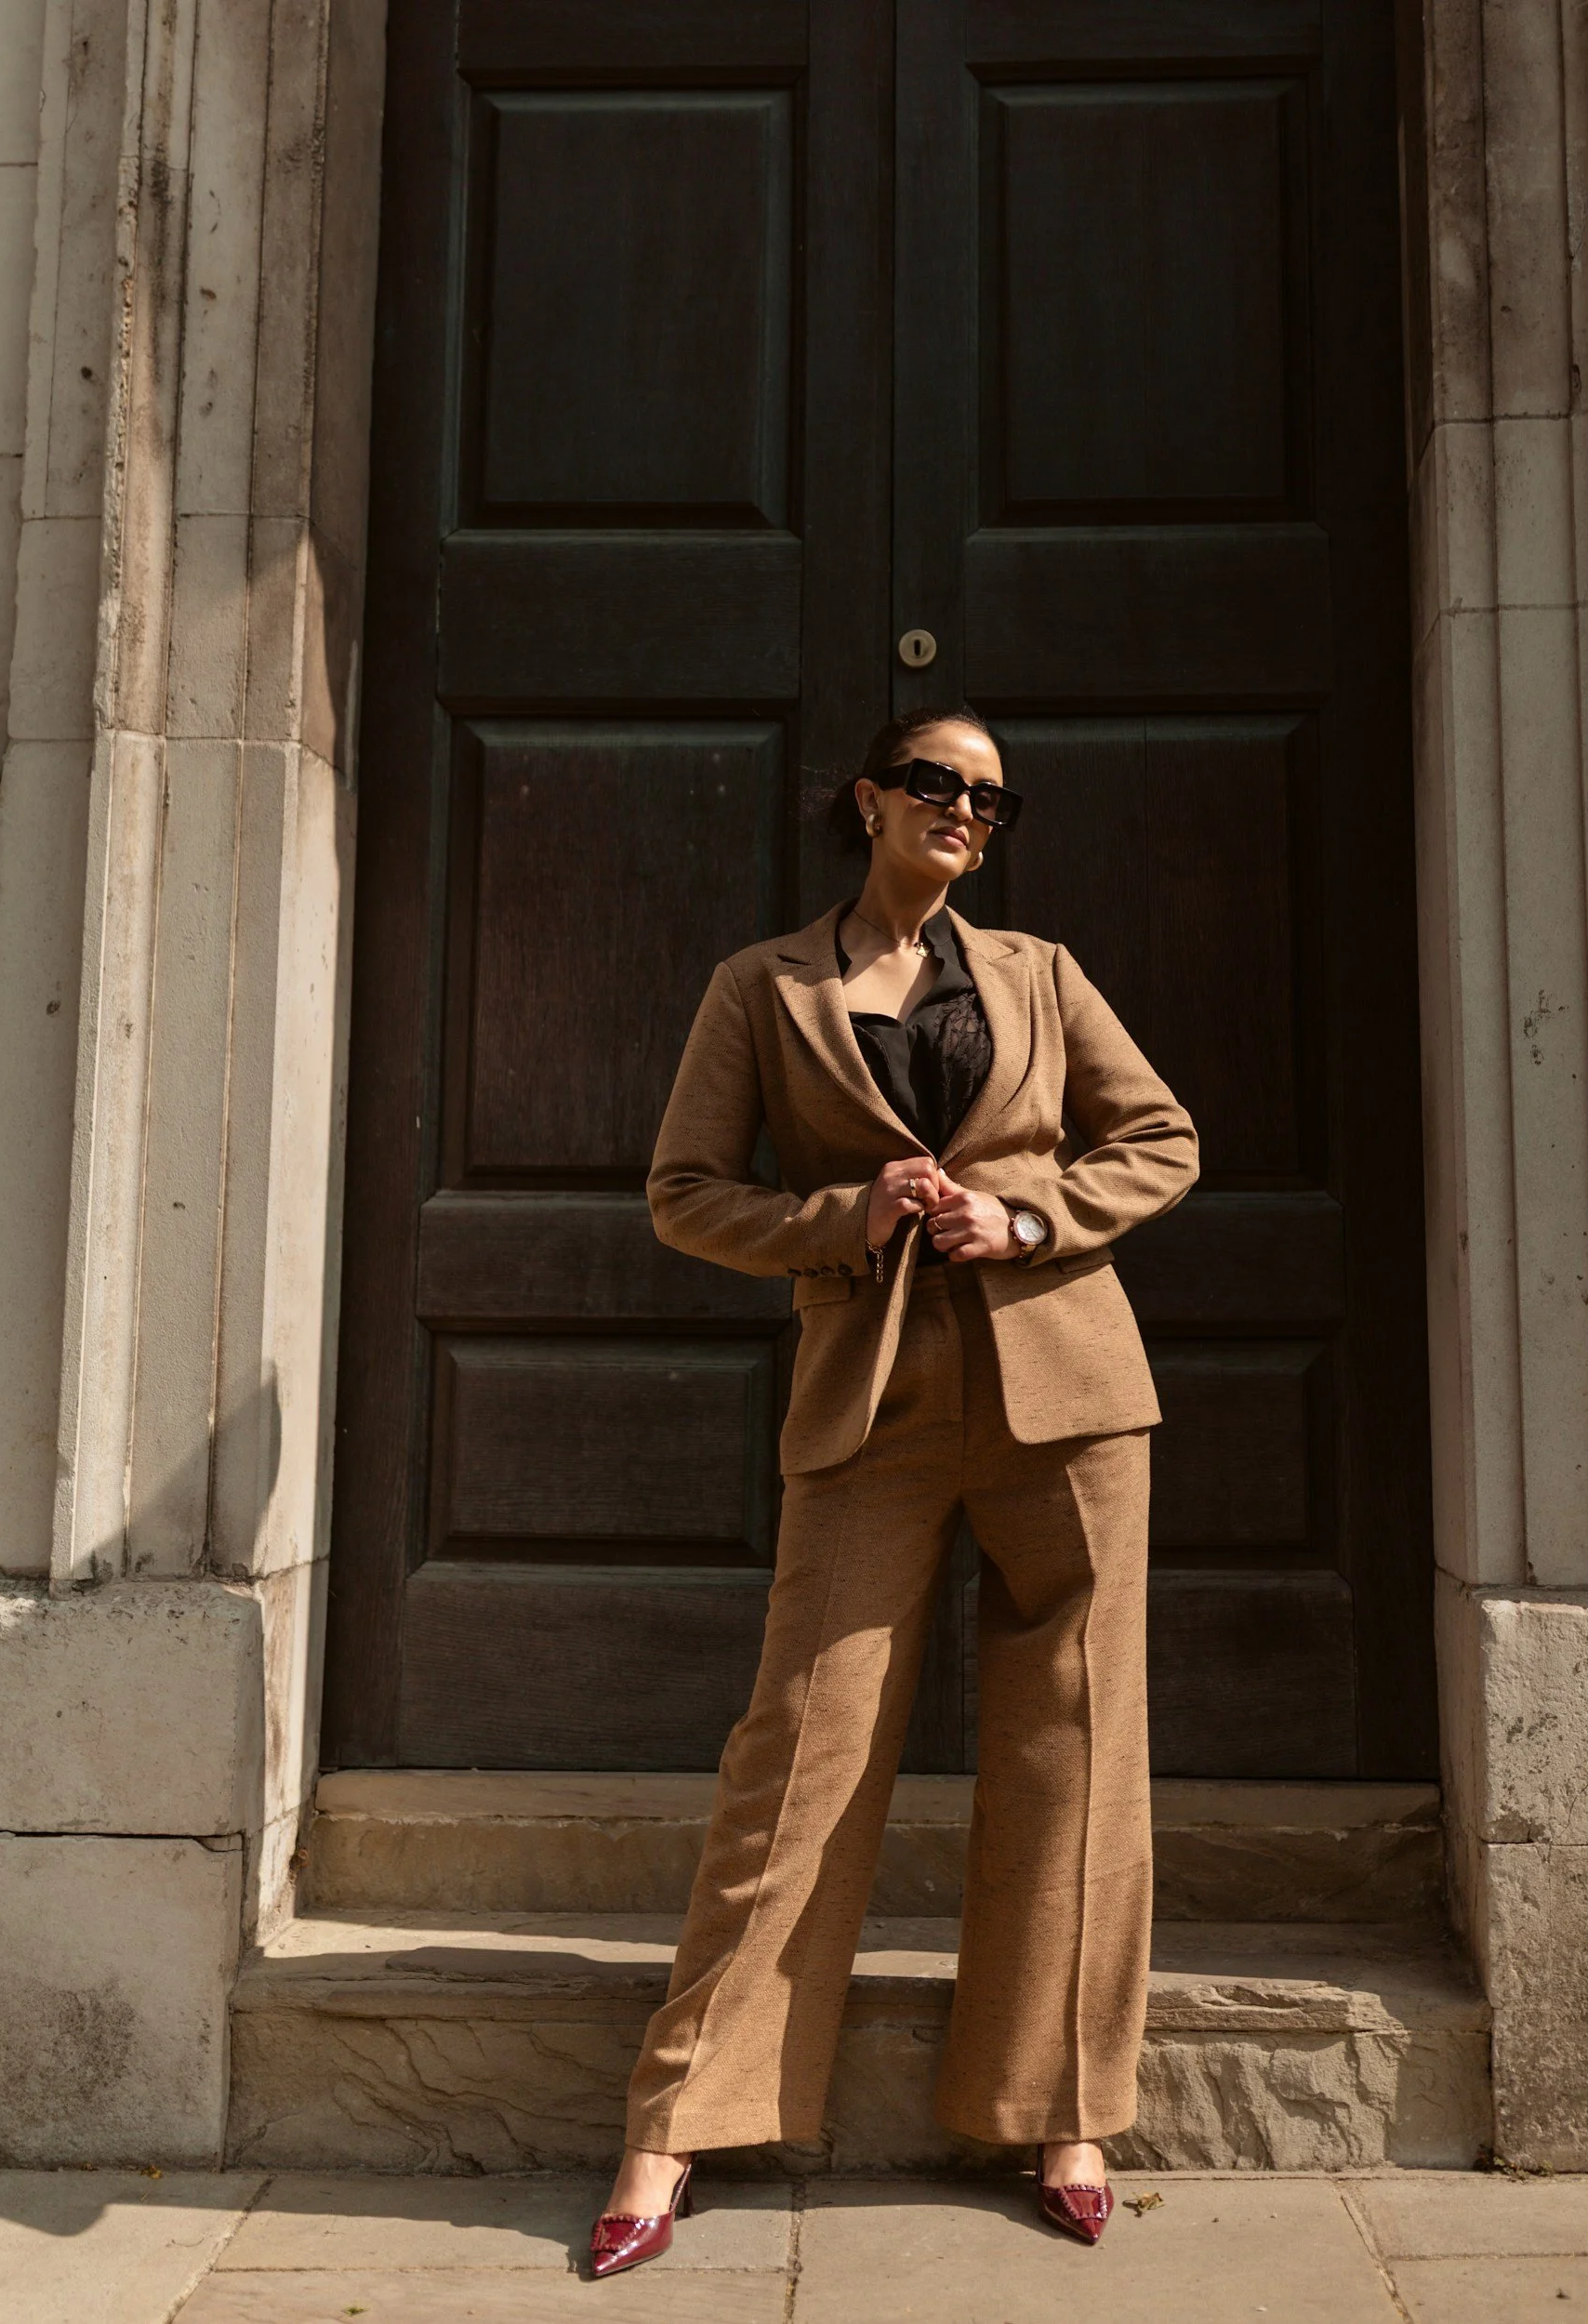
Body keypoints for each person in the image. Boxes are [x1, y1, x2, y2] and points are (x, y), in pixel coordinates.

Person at [586, 708, 1198, 2278]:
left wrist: (1025, 1212)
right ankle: (677, 2122)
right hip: (871, 1405)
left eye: (992, 800)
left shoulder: (1043, 976)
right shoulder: (763, 985)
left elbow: (1161, 1140)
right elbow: (684, 1195)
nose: (966, 813)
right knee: (801, 1744)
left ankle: (1062, 2110)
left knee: (1077, 1741)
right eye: (938, 785)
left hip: (1066, 1394)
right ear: (867, 801)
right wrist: (846, 1215)